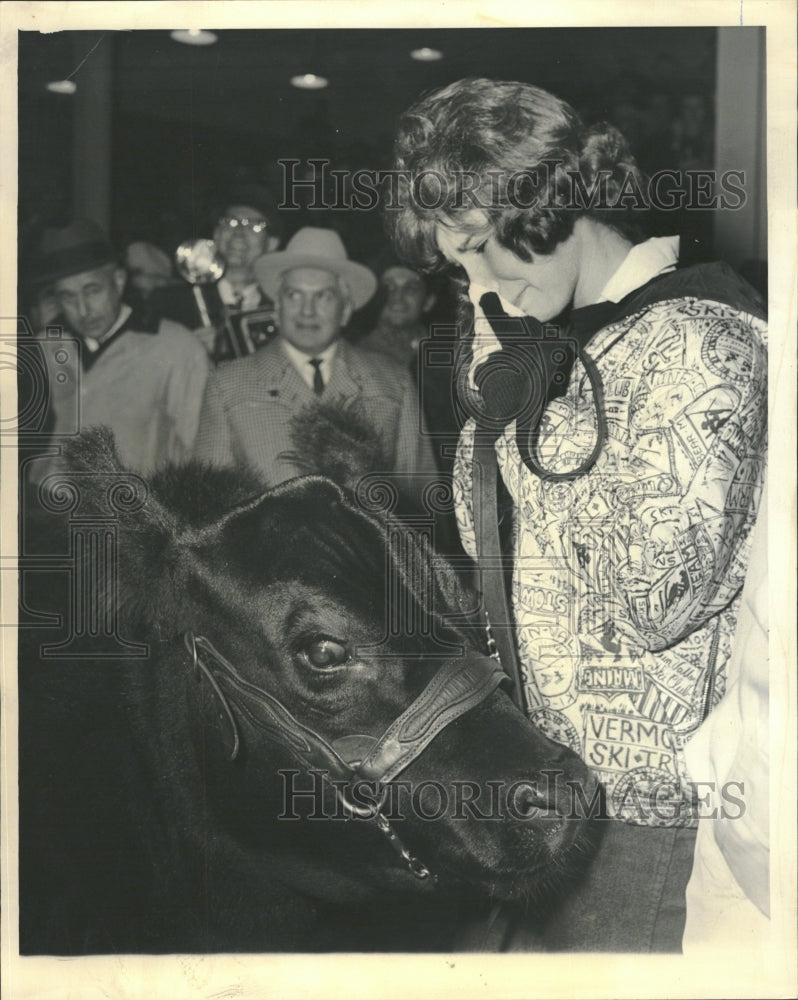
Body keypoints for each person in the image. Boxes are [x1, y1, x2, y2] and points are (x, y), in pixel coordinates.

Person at [389, 78, 768, 951]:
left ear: (553, 198)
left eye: (484, 246)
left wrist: (528, 417)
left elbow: (651, 597)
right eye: (459, 265)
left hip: (650, 815)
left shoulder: (700, 337)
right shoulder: (562, 342)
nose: (482, 284)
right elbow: (490, 547)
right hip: (544, 795)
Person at [193, 227, 438, 494]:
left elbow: (420, 498)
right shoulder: (227, 386)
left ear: (345, 310)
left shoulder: (393, 383)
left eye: (323, 296)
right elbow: (208, 506)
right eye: (294, 295)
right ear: (276, 308)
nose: (307, 311)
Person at [30, 219, 210, 482]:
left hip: (134, 515)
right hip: (51, 513)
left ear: (118, 280)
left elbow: (204, 451)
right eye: (68, 297)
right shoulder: (45, 346)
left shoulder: (175, 347)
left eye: (92, 291)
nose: (83, 310)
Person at [151, 183, 282, 361]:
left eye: (254, 226)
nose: (238, 233)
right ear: (216, 235)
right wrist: (185, 352)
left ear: (272, 244)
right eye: (230, 222)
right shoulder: (169, 303)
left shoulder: (281, 311)